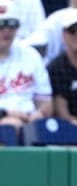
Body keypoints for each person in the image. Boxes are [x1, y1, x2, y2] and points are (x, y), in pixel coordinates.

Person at [0, 0, 52, 129]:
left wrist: (39, 114)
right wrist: (6, 113)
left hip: (31, 125)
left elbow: (46, 102)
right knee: (9, 126)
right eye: (1, 25)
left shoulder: (31, 55)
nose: (6, 30)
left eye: (11, 24)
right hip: (6, 125)